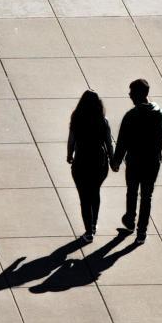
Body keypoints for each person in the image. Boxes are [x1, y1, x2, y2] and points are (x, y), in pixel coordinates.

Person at [112, 79, 162, 243]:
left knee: (132, 191)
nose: (129, 95)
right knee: (146, 196)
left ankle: (130, 221)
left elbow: (122, 142)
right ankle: (141, 232)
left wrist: (116, 161)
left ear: (138, 94)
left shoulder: (131, 116)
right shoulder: (161, 114)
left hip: (135, 161)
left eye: (131, 92)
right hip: (152, 162)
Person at [66, 91, 113, 242]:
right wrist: (112, 160)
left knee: (84, 197)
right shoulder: (103, 120)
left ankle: (88, 231)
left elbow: (71, 139)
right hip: (99, 162)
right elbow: (109, 143)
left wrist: (69, 154)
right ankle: (93, 224)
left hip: (81, 162)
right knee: (95, 193)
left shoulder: (77, 118)